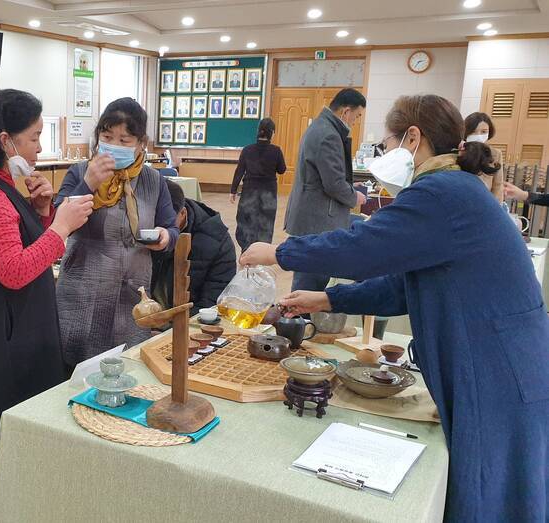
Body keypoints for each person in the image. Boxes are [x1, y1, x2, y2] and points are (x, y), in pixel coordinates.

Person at [240, 94, 548, 522]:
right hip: (506, 358)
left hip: (496, 368)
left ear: (413, 137)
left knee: (490, 493)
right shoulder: (456, 189)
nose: (383, 154)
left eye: (386, 144)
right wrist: (327, 298)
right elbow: (406, 288)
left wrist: (280, 252)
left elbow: (363, 248)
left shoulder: (441, 193)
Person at [0, 89, 93, 518]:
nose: (39, 147)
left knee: (14, 421)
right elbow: (13, 269)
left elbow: (22, 246)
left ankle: (12, 498)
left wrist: (45, 212)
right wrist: (62, 228)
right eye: (33, 137)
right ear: (6, 140)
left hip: (11, 330)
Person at [56, 97, 179, 365]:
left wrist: (165, 237)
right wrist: (89, 183)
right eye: (107, 136)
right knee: (77, 369)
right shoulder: (79, 173)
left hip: (133, 294)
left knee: (127, 364)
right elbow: (59, 217)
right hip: (83, 292)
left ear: (141, 144)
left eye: (124, 141)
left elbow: (172, 227)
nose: (114, 145)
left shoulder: (153, 180)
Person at [283, 87, 367, 293]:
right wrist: (353, 196)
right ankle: (300, 323)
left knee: (308, 276)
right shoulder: (328, 134)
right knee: (309, 282)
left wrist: (349, 186)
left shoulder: (321, 127)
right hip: (317, 220)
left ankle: (301, 321)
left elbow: (324, 177)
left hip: (311, 216)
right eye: (356, 117)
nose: (355, 123)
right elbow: (333, 184)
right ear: (345, 112)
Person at [151, 179, 236, 313]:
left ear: (183, 213)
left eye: (165, 221)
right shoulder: (139, 230)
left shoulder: (216, 240)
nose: (157, 228)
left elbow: (214, 301)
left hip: (187, 323)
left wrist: (173, 328)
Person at [230, 118, 287, 252]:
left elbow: (239, 171)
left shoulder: (247, 150)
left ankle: (246, 252)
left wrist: (233, 191)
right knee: (265, 225)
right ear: (272, 132)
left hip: (249, 192)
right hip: (268, 194)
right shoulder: (276, 151)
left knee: (246, 223)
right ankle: (260, 255)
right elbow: (282, 169)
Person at [464, 111, 504, 201]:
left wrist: (495, 208)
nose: (478, 136)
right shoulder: (460, 151)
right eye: (473, 132)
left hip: (486, 201)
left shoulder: (496, 154)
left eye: (483, 132)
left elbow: (497, 185)